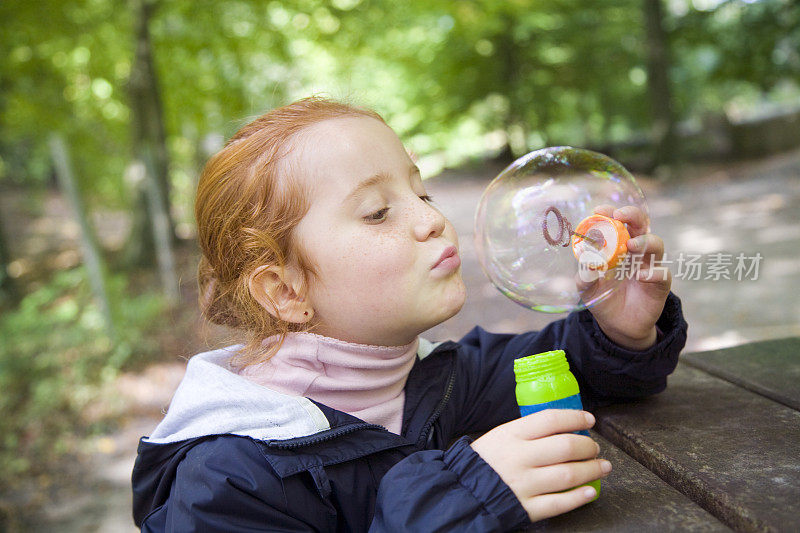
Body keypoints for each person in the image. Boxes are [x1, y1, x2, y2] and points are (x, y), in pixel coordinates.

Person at [132, 97, 687, 532]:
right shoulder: (227, 481)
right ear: (284, 291)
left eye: (421, 194)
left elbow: (568, 368)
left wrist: (617, 329)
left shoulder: (442, 379)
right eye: (377, 212)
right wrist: (463, 497)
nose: (431, 221)